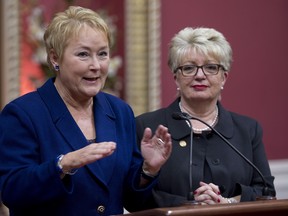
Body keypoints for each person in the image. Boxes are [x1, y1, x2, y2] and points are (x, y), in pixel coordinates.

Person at [0, 6, 172, 216]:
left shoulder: (120, 111)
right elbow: (12, 190)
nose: (96, 65)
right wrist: (63, 165)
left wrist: (147, 170)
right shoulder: (22, 113)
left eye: (102, 54)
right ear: (55, 58)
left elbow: (131, 199)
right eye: (83, 54)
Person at [136, 27, 276, 208]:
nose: (200, 75)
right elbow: (132, 199)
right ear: (176, 78)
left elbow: (267, 192)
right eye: (189, 68)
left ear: (224, 78)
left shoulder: (248, 130)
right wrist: (190, 204)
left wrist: (227, 203)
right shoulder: (147, 126)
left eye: (211, 67)